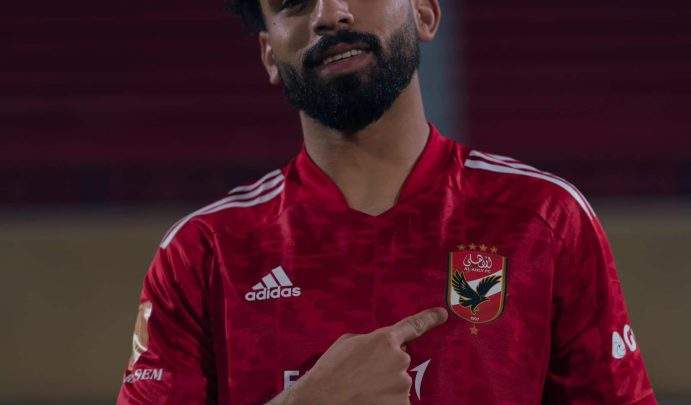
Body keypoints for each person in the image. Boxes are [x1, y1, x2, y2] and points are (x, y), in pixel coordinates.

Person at [117, 0, 657, 403]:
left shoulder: (544, 218)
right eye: (294, 2)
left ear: (424, 12)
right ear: (269, 55)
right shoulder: (203, 252)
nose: (329, 13)